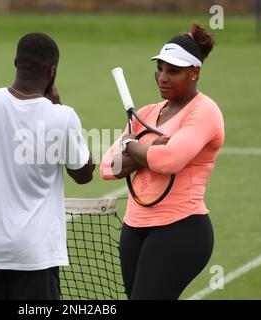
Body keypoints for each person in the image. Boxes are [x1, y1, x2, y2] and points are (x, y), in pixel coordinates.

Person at [0, 32, 95, 300]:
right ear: (53, 70)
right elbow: (83, 174)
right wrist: (60, 108)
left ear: (15, 62)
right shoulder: (62, 117)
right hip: (35, 257)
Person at [100, 23, 225, 300]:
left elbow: (169, 161)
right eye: (160, 69)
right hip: (133, 230)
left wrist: (131, 145)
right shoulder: (146, 112)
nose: (162, 77)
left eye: (173, 71)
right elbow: (109, 168)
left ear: (195, 73)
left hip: (181, 230)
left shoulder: (205, 112)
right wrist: (144, 150)